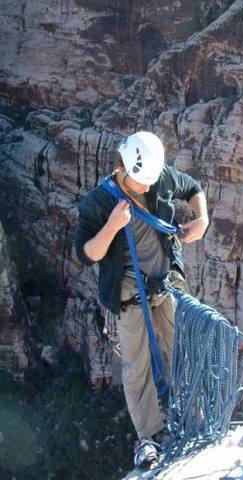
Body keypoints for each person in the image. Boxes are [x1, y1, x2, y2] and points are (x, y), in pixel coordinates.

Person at [75, 131, 208, 468]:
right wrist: (112, 226)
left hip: (166, 285)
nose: (149, 188)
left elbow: (192, 188)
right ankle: (149, 437)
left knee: (182, 350)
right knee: (138, 367)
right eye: (141, 181)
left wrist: (201, 219)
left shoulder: (158, 177)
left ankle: (196, 418)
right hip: (130, 294)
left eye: (151, 180)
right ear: (124, 168)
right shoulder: (97, 203)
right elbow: (87, 253)